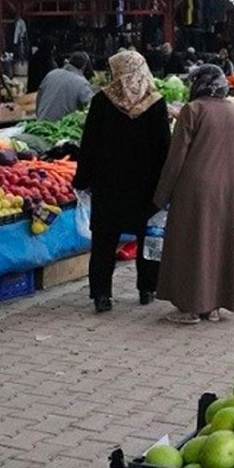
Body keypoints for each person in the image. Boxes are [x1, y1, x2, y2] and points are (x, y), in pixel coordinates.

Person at [153, 64, 234, 324]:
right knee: (219, 246)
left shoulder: (193, 110)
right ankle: (213, 307)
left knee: (191, 245)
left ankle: (190, 308)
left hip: (195, 190)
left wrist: (161, 195)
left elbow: (176, 157)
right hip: (229, 190)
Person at [73, 50, 170, 313]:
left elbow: (89, 144)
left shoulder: (103, 101)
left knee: (104, 241)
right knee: (147, 236)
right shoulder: (156, 103)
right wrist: (166, 187)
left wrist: (82, 179)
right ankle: (147, 288)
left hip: (108, 184)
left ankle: (102, 294)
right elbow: (164, 148)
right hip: (145, 186)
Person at [35, 51, 95, 122]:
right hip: (60, 128)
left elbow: (39, 96)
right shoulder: (82, 83)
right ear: (84, 66)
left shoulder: (51, 74)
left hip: (40, 122)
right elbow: (93, 108)